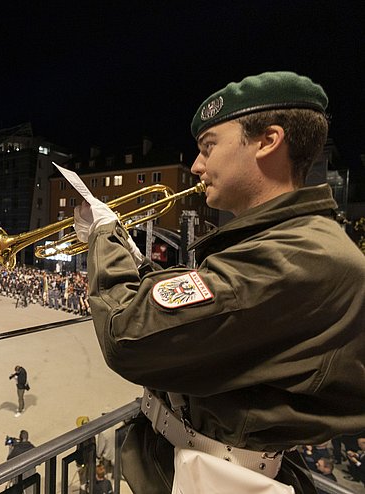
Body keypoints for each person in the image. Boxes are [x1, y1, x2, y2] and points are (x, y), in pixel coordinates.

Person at [74, 71, 365, 493]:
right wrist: (131, 253)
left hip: (215, 478)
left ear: (268, 141)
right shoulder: (282, 241)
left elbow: (125, 335)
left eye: (208, 147)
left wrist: (104, 235)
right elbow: (195, 314)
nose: (196, 166)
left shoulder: (298, 255)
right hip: (192, 467)